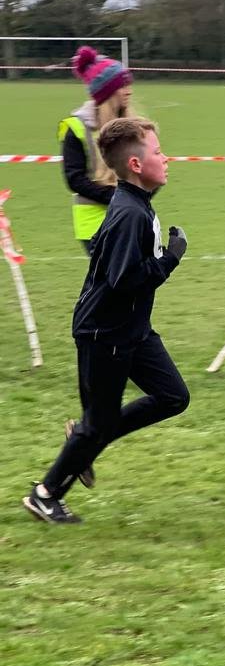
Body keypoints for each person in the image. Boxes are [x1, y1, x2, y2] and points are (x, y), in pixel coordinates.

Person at [23, 118, 190, 524]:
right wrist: (171, 258)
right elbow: (123, 280)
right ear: (135, 164)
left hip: (133, 330)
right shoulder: (130, 213)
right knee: (99, 423)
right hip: (105, 334)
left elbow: (108, 254)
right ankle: (46, 494)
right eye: (157, 152)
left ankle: (84, 439)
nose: (165, 158)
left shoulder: (134, 201)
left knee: (173, 397)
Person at [59, 45, 134, 255]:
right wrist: (118, 196)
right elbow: (75, 179)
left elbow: (146, 170)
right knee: (120, 274)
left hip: (130, 217)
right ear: (108, 91)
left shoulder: (133, 125)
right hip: (94, 223)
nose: (129, 91)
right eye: (123, 85)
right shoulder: (76, 127)